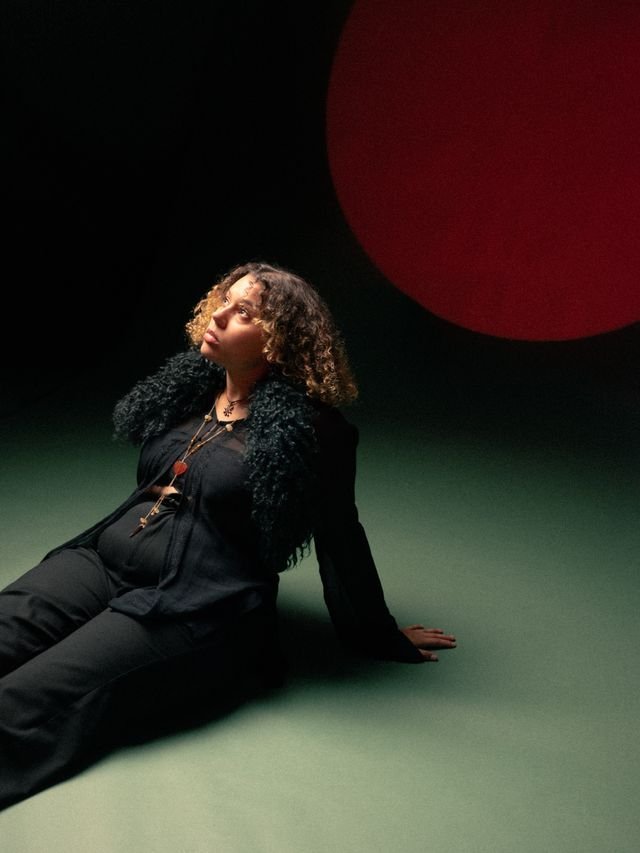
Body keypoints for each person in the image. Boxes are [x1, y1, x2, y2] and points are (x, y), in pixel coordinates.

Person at [0, 260, 456, 811]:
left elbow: (341, 533)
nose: (218, 315)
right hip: (104, 561)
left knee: (26, 696)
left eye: (244, 312)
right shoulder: (189, 392)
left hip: (192, 601)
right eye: (223, 300)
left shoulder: (314, 432)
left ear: (278, 342)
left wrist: (376, 631)